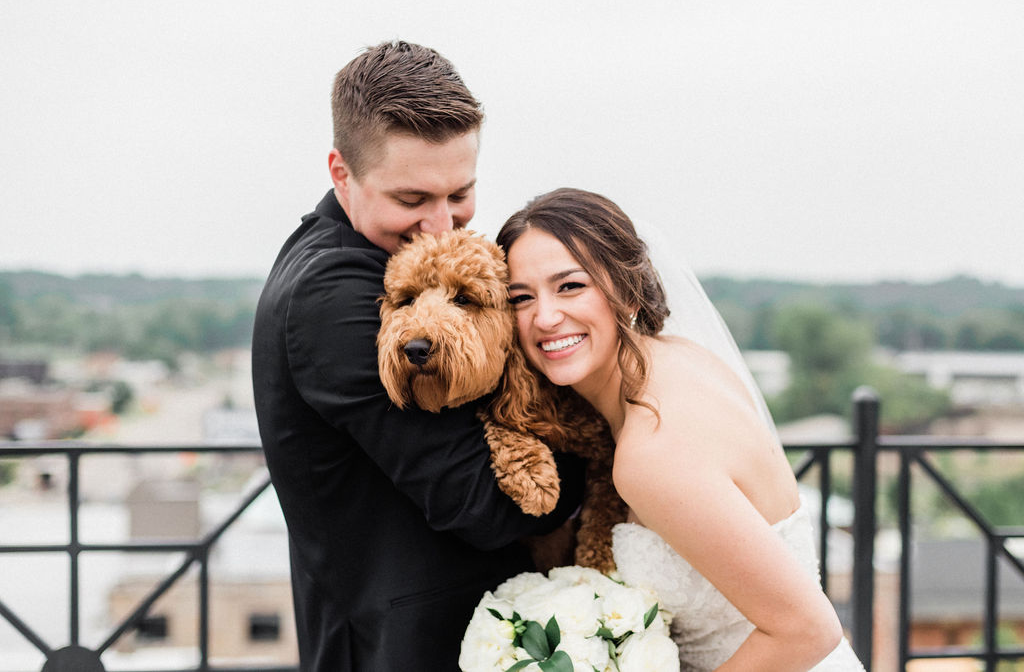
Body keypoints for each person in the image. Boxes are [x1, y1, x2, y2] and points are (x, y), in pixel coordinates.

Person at [251, 42, 583, 672]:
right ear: (341, 173)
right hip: (406, 650)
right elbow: (481, 502)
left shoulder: (375, 260)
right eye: (411, 200)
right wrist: (601, 463)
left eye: (460, 193)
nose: (440, 225)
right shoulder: (333, 292)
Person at [496, 188, 865, 671]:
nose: (544, 317)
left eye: (570, 286)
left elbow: (807, 630)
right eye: (521, 297)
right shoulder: (682, 357)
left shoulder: (652, 451)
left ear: (625, 289)